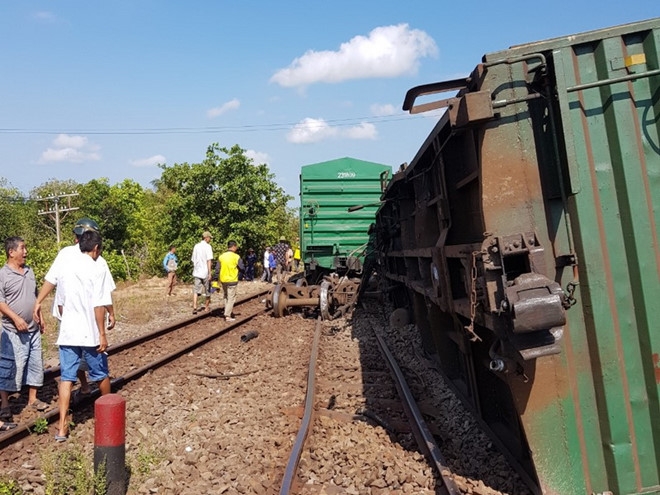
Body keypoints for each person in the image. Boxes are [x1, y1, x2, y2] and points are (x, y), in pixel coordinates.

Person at [34, 230, 111, 442]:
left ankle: (62, 428)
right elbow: (99, 305)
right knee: (101, 374)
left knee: (66, 379)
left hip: (67, 333)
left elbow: (50, 283)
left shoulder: (65, 265)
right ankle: (109, 414)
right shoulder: (97, 269)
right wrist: (102, 334)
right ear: (95, 248)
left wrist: (38, 302)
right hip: (89, 334)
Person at [0, 237, 46, 425]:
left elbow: (35, 297)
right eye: (22, 248)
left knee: (35, 363)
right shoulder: (3, 274)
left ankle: (33, 398)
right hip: (13, 331)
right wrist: (16, 318)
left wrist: (40, 316)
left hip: (33, 329)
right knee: (9, 368)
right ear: (11, 252)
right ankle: (4, 404)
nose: (25, 252)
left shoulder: (29, 271)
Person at [218, 241, 244, 322]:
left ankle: (227, 312)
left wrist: (215, 280)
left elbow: (217, 269)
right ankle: (227, 315)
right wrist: (240, 275)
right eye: (236, 247)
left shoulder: (221, 256)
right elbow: (242, 267)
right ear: (233, 247)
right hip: (232, 280)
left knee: (226, 296)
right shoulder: (236, 257)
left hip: (223, 280)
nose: (236, 248)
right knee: (231, 298)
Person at [191, 231, 213, 314]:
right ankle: (206, 307)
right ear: (206, 238)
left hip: (197, 272)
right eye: (209, 238)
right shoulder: (208, 247)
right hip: (205, 272)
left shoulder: (196, 246)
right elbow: (209, 260)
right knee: (208, 290)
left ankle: (195, 307)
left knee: (196, 290)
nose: (210, 239)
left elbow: (193, 259)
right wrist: (210, 272)